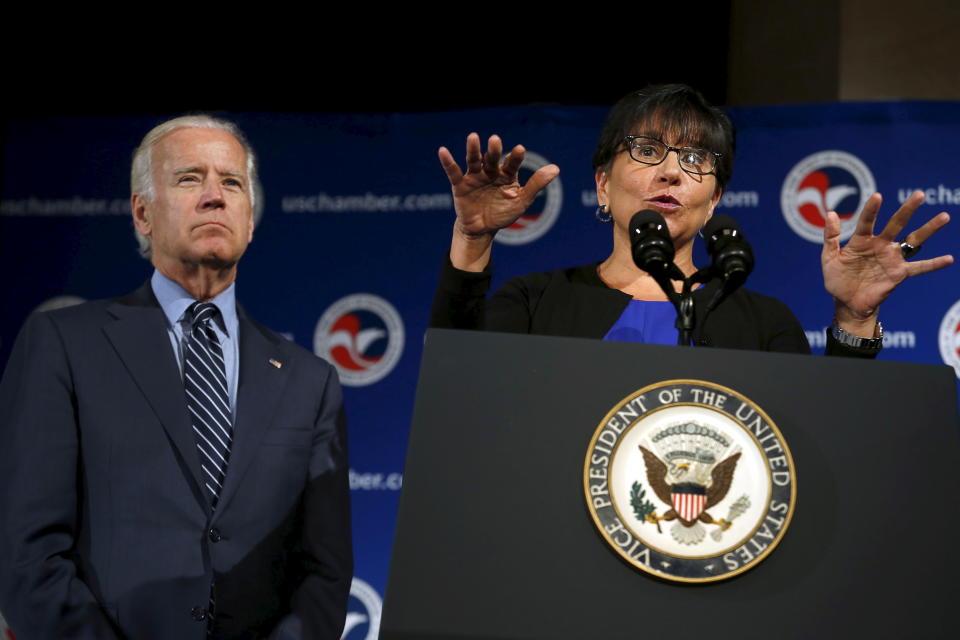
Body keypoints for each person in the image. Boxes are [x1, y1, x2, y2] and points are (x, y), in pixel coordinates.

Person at [0, 116, 352, 639]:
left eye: (231, 182)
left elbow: (324, 572)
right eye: (189, 178)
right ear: (143, 213)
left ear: (250, 220)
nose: (215, 196)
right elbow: (25, 553)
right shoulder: (63, 343)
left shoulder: (310, 380)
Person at [431, 84, 953, 353]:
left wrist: (855, 318)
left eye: (695, 158)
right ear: (602, 185)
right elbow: (460, 388)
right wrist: (472, 240)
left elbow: (823, 436)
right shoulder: (536, 302)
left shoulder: (764, 325)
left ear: (714, 198)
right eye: (647, 149)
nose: (672, 173)